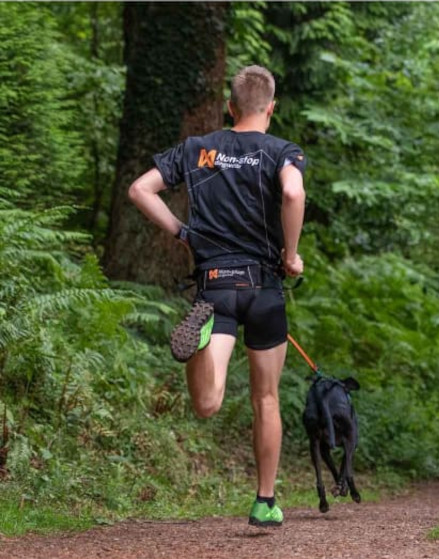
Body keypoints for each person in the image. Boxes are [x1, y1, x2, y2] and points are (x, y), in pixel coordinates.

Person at [127, 65, 305, 527]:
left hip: (216, 286)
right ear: (272, 107)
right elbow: (292, 192)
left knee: (207, 404)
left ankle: (201, 339)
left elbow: (140, 189)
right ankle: (265, 501)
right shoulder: (281, 151)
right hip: (263, 288)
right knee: (266, 398)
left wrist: (182, 232)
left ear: (230, 107)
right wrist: (292, 253)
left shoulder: (198, 149)